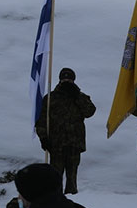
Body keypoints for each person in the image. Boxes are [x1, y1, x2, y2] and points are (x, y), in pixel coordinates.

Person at [35, 67, 96, 195]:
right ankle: (55, 203)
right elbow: (41, 121)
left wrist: (77, 96)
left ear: (74, 80)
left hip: (74, 144)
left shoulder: (80, 97)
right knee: (55, 178)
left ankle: (72, 202)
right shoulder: (50, 98)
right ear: (60, 80)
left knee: (72, 177)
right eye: (64, 79)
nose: (67, 81)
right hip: (56, 144)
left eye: (69, 79)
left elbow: (90, 112)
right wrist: (44, 138)